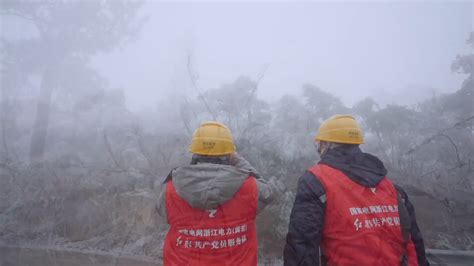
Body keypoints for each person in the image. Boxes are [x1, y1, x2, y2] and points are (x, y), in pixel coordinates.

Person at [284, 115, 429, 266]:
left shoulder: (316, 180)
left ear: (325, 145)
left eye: (319, 146)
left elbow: (302, 246)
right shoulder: (391, 188)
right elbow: (416, 244)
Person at [156, 121, 281, 266]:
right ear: (229, 155)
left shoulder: (170, 190)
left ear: (194, 154)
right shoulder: (250, 187)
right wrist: (238, 160)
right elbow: (269, 194)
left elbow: (161, 209)